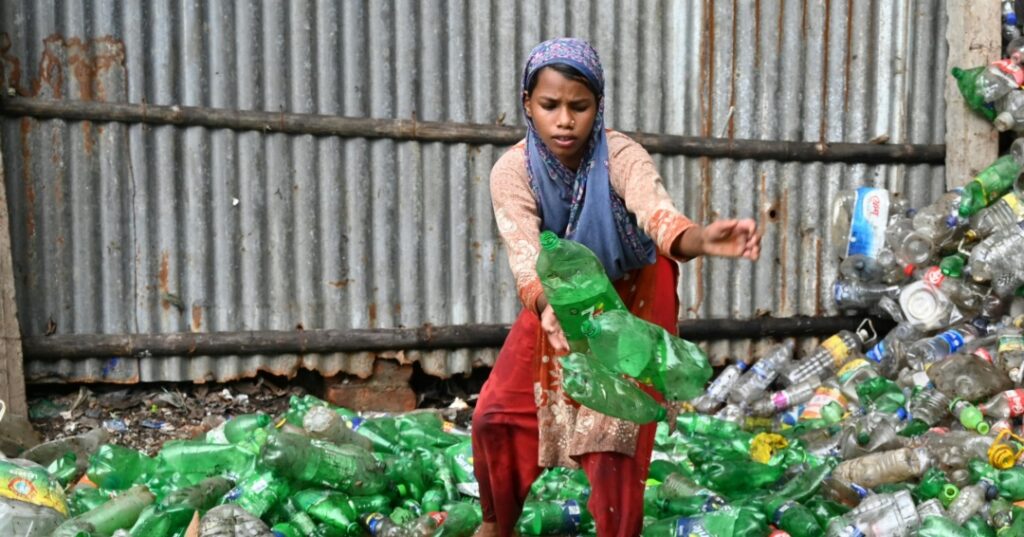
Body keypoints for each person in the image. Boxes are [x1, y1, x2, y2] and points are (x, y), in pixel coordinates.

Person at [471, 37, 761, 537]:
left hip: (633, 301)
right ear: (527, 104)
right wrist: (547, 307)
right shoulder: (512, 171)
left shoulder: (620, 156)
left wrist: (701, 240)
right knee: (496, 416)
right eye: (550, 105)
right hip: (559, 299)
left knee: (613, 437)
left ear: (598, 106)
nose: (565, 121)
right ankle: (497, 524)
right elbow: (524, 254)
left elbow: (658, 216)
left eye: (579, 107)